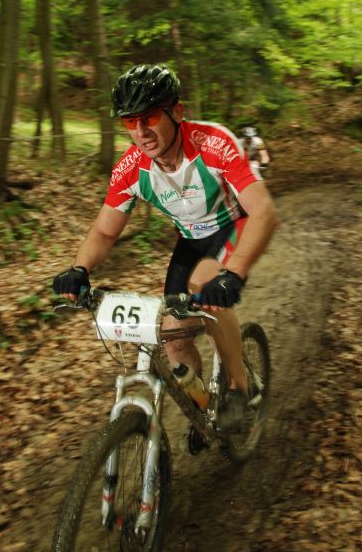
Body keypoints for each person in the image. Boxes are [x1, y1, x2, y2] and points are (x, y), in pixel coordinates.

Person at [53, 63, 279, 432]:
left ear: (177, 111)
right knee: (172, 335)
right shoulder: (131, 168)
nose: (141, 131)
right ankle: (202, 407)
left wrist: (235, 272)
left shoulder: (212, 143)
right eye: (130, 121)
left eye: (150, 117)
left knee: (206, 283)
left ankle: (238, 389)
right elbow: (105, 232)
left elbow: (264, 212)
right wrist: (80, 268)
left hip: (232, 226)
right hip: (191, 240)